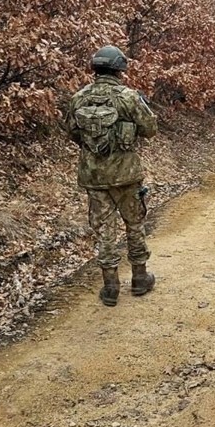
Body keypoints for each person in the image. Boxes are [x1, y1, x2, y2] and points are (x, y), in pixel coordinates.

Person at [64, 45, 158, 306]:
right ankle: (140, 279)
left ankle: (110, 287)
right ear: (120, 69)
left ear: (96, 68)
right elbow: (150, 129)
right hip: (127, 175)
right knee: (134, 224)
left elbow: (72, 133)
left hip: (94, 177)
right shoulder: (128, 97)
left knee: (105, 230)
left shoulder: (79, 97)